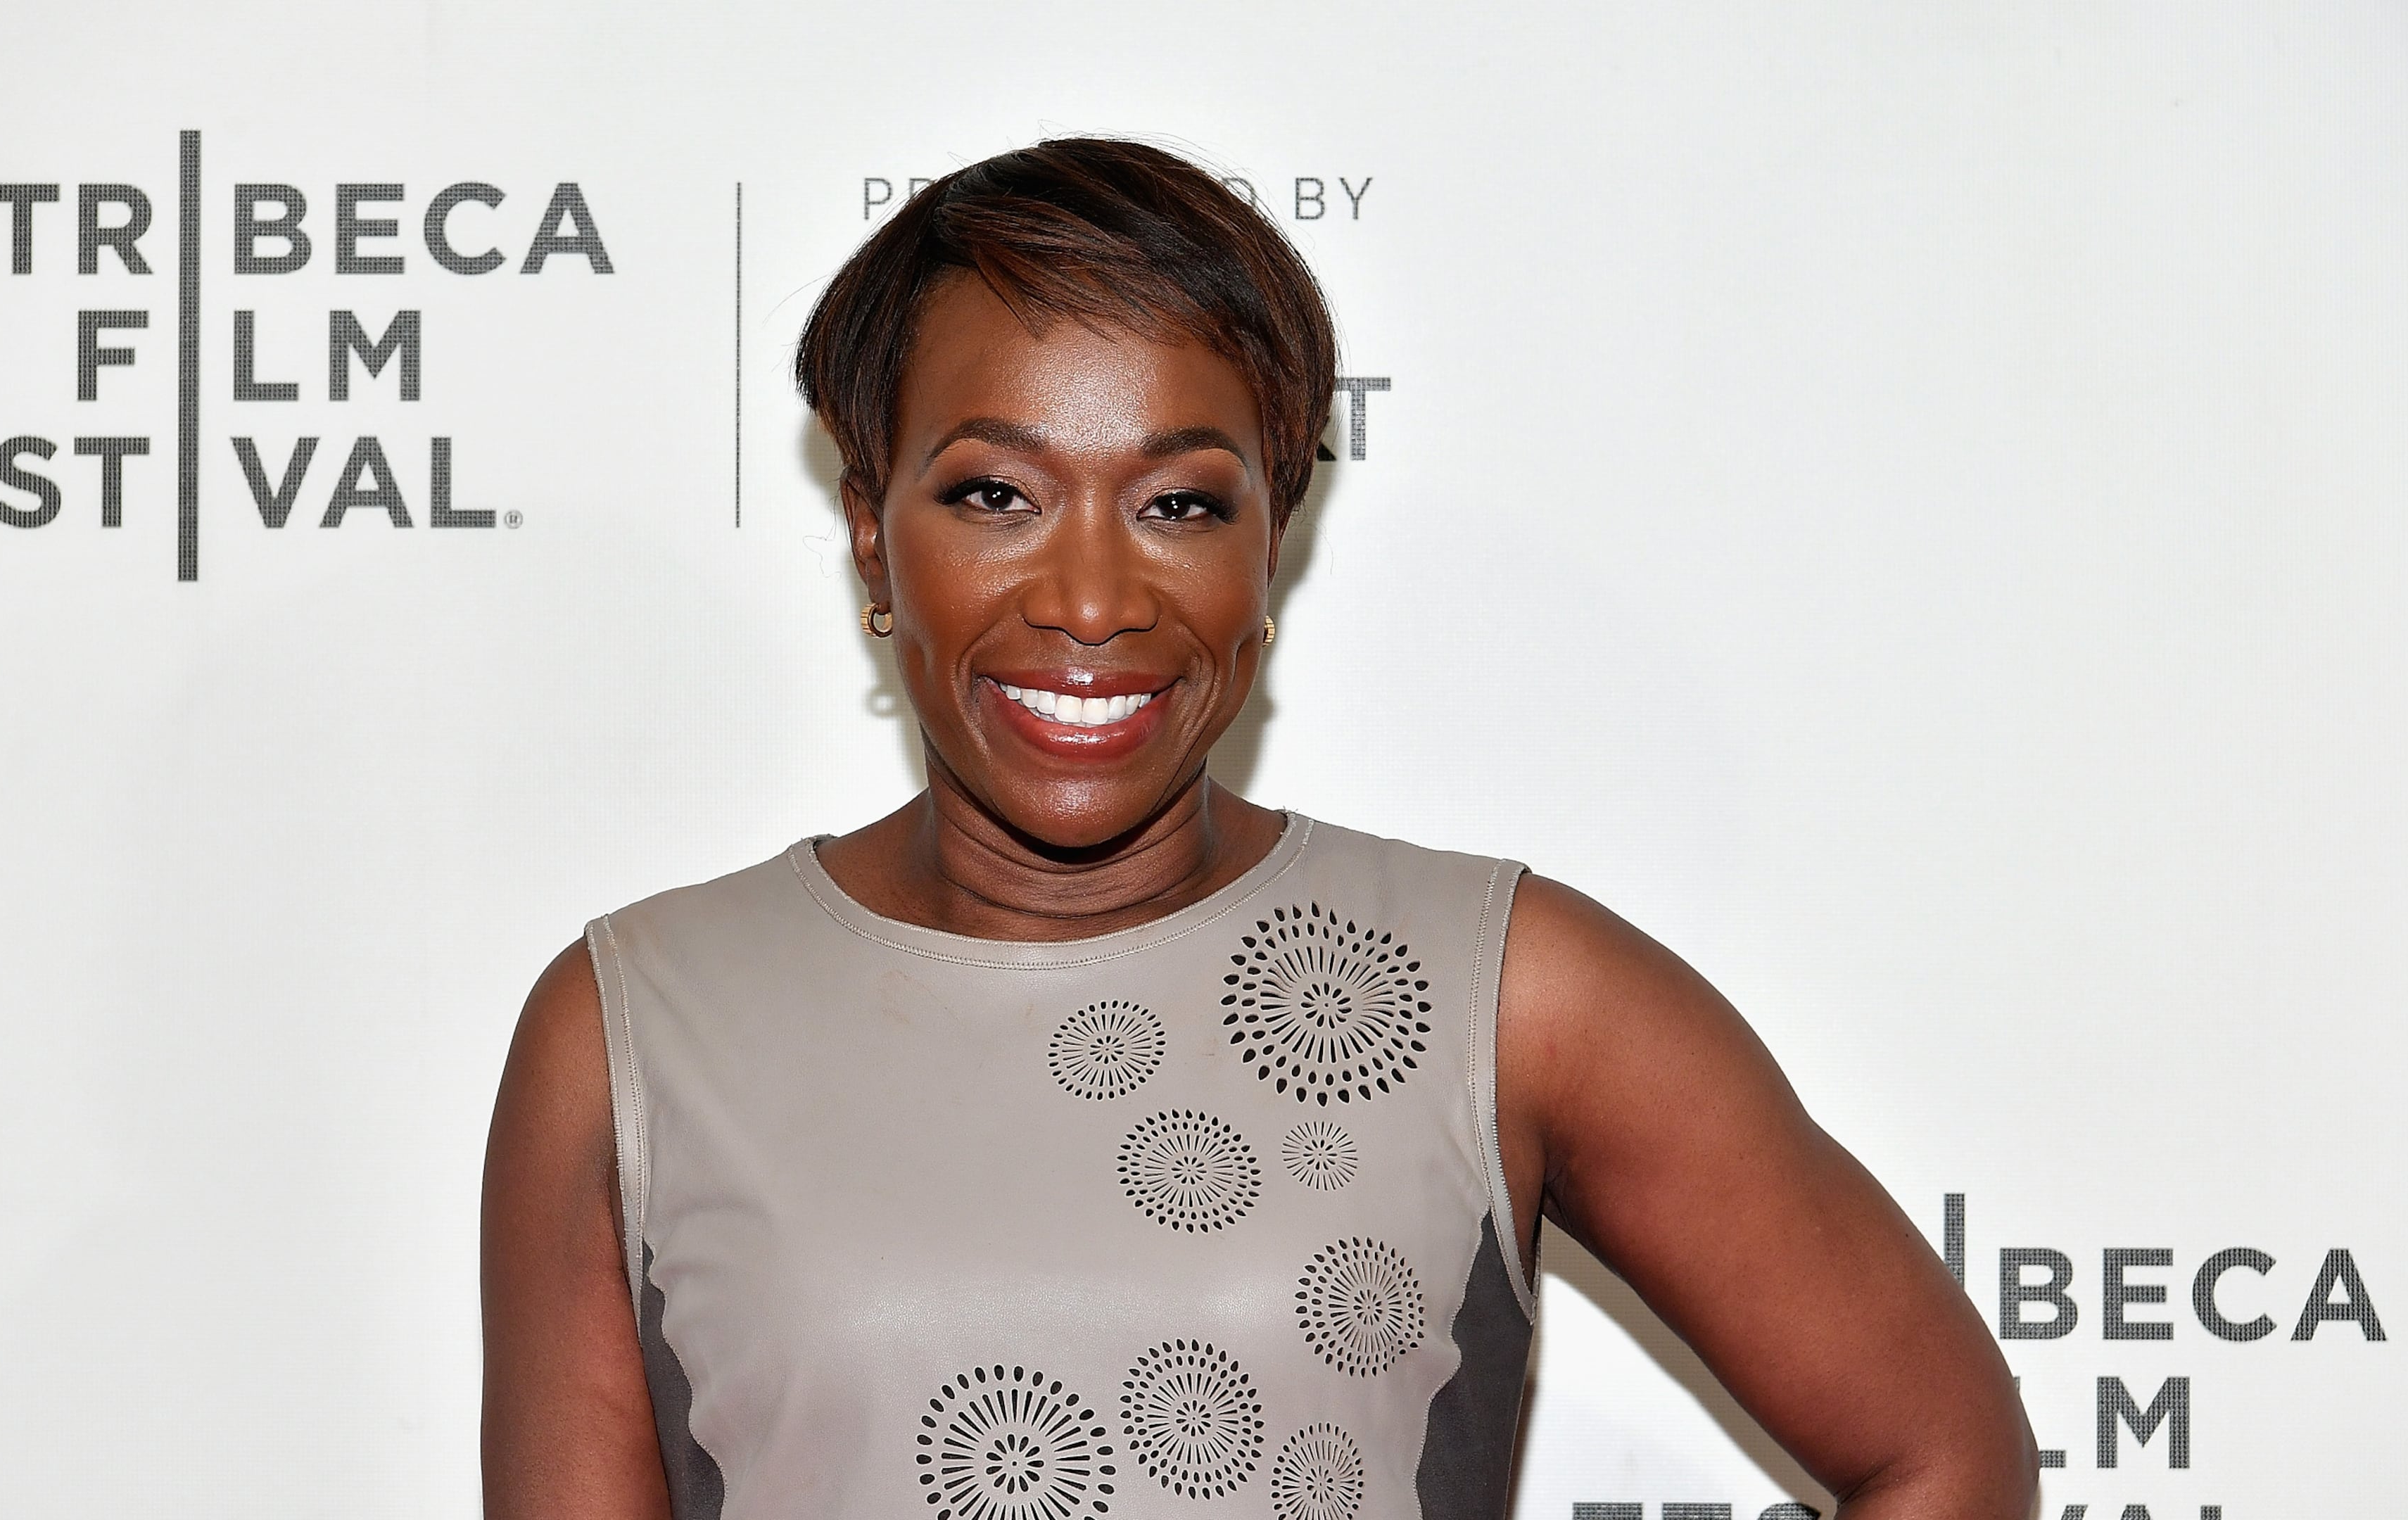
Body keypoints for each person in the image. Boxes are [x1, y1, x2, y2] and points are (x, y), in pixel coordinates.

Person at [481, 138, 2036, 1520]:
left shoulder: (1503, 994)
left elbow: (1940, 1450)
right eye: (994, 495)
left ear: (1269, 548)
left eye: (1182, 506)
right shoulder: (637, 1026)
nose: (1090, 601)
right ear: (871, 532)